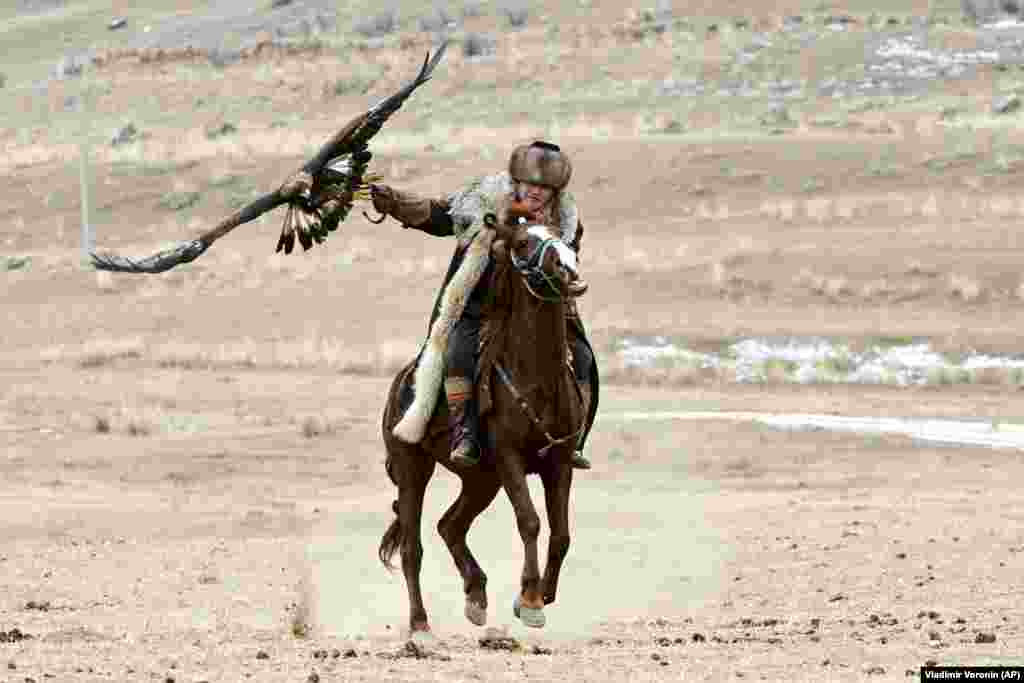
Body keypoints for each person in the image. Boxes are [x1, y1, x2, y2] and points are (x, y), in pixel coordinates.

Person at [370, 141, 598, 469]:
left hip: (538, 311)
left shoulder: (565, 223)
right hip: (478, 304)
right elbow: (437, 216)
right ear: (516, 181)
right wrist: (394, 202)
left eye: (545, 187)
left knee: (584, 356)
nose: (536, 192)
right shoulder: (483, 203)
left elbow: (566, 264)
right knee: (457, 354)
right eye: (531, 183)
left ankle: (574, 439)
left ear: (556, 192)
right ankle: (466, 433)